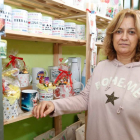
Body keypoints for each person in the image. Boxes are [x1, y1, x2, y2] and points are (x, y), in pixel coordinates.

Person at [32, 9, 140, 140]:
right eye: (118, 31)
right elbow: (84, 99)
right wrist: (54, 105)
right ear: (111, 36)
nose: (124, 37)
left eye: (131, 32)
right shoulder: (101, 67)